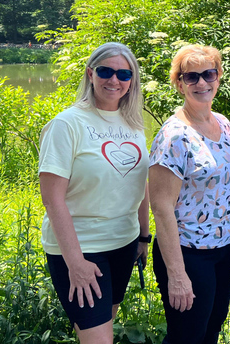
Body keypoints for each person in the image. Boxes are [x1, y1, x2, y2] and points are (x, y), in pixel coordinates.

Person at [39, 42, 150, 344]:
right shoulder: (66, 124)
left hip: (124, 244)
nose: (114, 80)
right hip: (81, 249)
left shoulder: (133, 123)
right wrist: (75, 262)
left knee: (103, 330)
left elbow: (140, 183)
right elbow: (52, 198)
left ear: (132, 81)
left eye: (124, 74)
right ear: (90, 73)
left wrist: (143, 236)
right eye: (106, 71)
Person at [148, 45, 230, 344]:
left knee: (210, 333)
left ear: (219, 77)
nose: (202, 83)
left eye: (209, 74)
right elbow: (161, 207)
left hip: (221, 251)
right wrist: (177, 275)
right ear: (179, 83)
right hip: (187, 254)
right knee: (186, 337)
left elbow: (228, 186)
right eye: (191, 77)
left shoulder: (223, 123)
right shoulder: (173, 136)